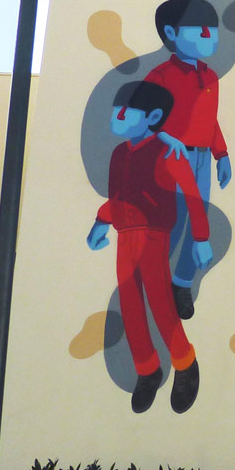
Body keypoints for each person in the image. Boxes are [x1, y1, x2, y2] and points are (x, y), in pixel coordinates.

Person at [86, 81, 211, 413]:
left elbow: (193, 196)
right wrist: (101, 221)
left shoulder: (169, 152)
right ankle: (147, 369)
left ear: (153, 117)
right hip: (124, 237)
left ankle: (185, 362)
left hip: (155, 236)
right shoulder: (118, 154)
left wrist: (201, 238)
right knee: (130, 305)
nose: (116, 117)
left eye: (125, 112)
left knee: (160, 304)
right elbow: (116, 196)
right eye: (116, 111)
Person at [145, 0, 232, 320]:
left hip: (202, 161)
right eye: (199, 29)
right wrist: (164, 137)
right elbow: (144, 118)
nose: (210, 36)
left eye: (213, 29)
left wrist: (221, 154)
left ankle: (181, 283)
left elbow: (210, 120)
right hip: (169, 159)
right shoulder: (160, 76)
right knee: (172, 223)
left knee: (197, 222)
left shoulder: (210, 77)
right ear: (171, 32)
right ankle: (153, 281)